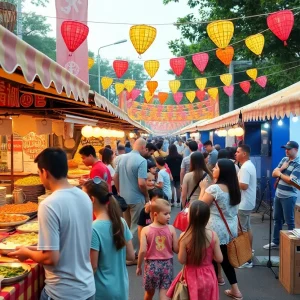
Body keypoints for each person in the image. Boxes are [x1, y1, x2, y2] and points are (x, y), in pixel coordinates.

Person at [9, 148, 95, 300]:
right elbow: (68, 243)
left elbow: (50, 258)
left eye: (39, 173)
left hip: (62, 293)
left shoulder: (49, 204)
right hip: (87, 288)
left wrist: (27, 253)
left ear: (45, 172)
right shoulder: (84, 197)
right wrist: (30, 247)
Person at [83, 178, 135, 300]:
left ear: (92, 199)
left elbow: (93, 267)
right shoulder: (121, 222)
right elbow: (131, 256)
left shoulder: (93, 229)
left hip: (102, 291)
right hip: (121, 287)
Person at [199, 159, 243, 300]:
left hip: (215, 229)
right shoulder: (235, 188)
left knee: (218, 259)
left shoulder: (214, 189)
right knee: (222, 256)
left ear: (222, 171)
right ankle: (219, 278)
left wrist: (202, 189)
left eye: (216, 167)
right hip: (230, 228)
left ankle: (234, 290)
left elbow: (200, 207)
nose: (213, 169)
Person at [167, 201, 223, 300]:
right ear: (207, 218)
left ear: (189, 217)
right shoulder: (213, 235)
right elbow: (219, 259)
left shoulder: (184, 236)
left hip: (190, 276)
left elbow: (182, 260)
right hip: (208, 276)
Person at [114, 138, 149, 265]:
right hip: (136, 198)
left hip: (123, 197)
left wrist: (119, 190)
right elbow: (142, 183)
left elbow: (115, 177)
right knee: (135, 226)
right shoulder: (142, 161)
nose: (146, 151)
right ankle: (132, 255)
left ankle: (124, 252)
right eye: (146, 148)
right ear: (142, 147)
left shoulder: (121, 158)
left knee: (126, 226)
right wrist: (146, 197)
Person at [136, 199, 178, 300]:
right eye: (166, 214)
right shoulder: (171, 229)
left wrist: (138, 266)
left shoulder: (146, 230)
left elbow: (142, 250)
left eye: (169, 213)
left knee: (149, 293)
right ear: (155, 214)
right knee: (165, 295)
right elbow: (176, 249)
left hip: (151, 267)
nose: (169, 216)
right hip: (167, 266)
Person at [264, 141, 300, 250]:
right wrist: (280, 170)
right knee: (277, 219)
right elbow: (273, 173)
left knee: (289, 221)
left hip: (289, 196)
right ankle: (276, 241)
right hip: (278, 194)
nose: (286, 150)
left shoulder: (298, 163)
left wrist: (280, 172)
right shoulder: (284, 160)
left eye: (289, 149)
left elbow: (290, 180)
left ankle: (291, 244)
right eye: (286, 148)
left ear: (296, 150)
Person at [235, 144, 257, 268]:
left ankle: (246, 259)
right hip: (248, 202)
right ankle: (249, 252)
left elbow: (244, 185)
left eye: (238, 152)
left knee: (241, 231)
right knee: (247, 228)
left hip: (244, 204)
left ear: (244, 154)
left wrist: (233, 182)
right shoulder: (248, 165)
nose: (236, 154)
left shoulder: (245, 167)